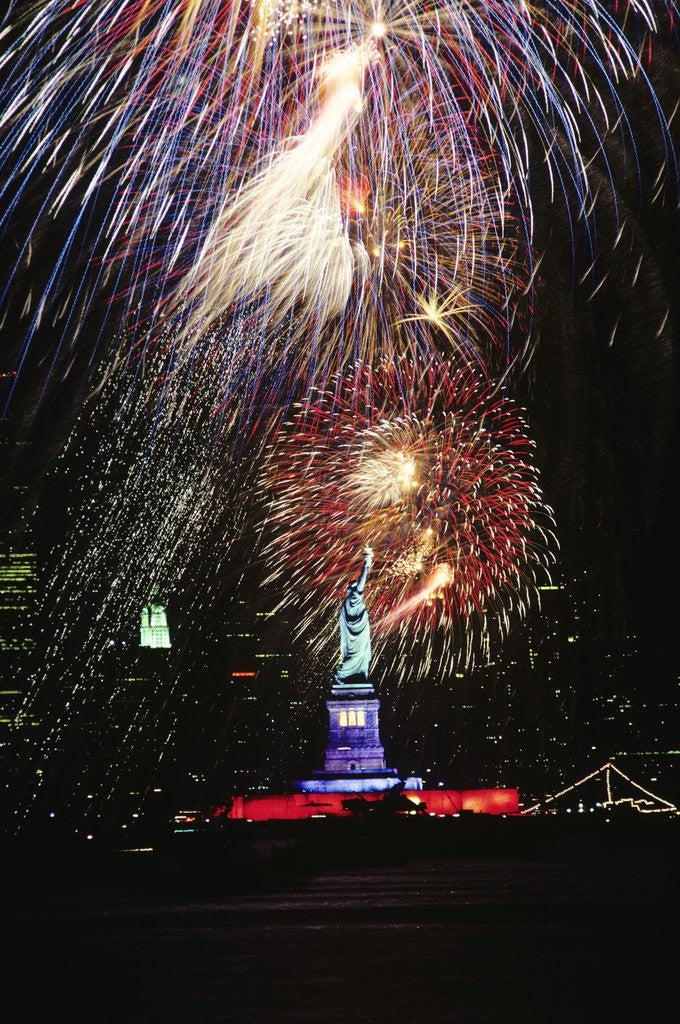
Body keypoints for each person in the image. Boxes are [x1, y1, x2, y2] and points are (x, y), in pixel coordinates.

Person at [335, 546, 374, 686]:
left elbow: (361, 582)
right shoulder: (352, 599)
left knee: (342, 671)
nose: (359, 589)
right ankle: (357, 676)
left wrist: (367, 564)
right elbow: (361, 582)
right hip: (354, 640)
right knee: (345, 668)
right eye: (355, 586)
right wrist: (366, 563)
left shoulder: (353, 599)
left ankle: (354, 676)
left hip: (358, 638)